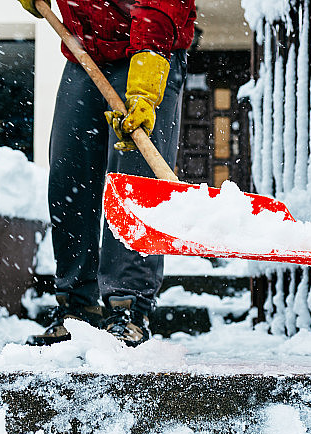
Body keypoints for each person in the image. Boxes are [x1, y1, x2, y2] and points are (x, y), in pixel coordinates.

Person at [17, 0, 196, 346]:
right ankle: (77, 305)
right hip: (85, 50)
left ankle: (127, 307)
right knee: (68, 176)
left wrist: (146, 76)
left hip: (149, 48)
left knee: (135, 183)